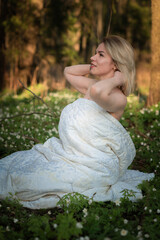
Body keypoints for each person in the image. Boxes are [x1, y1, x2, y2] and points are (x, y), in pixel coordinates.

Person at [0, 35, 154, 209]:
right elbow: (68, 71)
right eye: (95, 53)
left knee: (26, 181)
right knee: (13, 168)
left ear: (116, 64)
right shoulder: (93, 86)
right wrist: (95, 66)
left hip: (92, 166)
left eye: (100, 55)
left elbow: (96, 91)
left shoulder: (118, 99)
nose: (92, 57)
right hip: (70, 155)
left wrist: (120, 78)